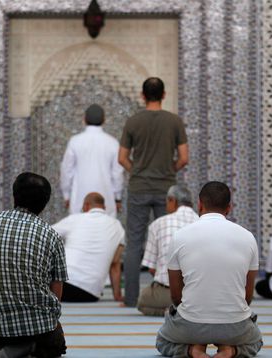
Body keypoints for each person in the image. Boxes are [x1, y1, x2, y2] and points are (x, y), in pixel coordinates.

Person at [0, 172, 68, 358]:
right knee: (56, 342)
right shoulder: (52, 235)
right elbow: (57, 288)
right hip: (39, 328)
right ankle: (29, 348)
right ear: (45, 203)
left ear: (14, 196)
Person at [156, 181, 262, 358]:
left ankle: (193, 351)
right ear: (229, 208)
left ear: (199, 204)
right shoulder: (248, 237)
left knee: (163, 341)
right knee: (256, 341)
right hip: (234, 325)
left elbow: (175, 296)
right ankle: (230, 351)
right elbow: (248, 296)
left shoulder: (180, 236)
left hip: (190, 323)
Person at [119, 77, 189, 307]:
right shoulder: (174, 121)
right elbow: (184, 158)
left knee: (134, 244)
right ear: (164, 95)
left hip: (139, 187)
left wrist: (136, 172)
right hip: (165, 190)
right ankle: (172, 295)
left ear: (142, 95)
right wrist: (168, 171)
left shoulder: (133, 121)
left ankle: (130, 299)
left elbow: (122, 158)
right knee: (169, 242)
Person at [52, 192, 125, 302]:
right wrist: (117, 295)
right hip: (89, 294)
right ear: (104, 208)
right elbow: (115, 264)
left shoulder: (74, 219)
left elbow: (44, 234)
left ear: (85, 206)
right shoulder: (117, 226)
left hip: (60, 287)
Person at [138, 185, 198, 316]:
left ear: (172, 200)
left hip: (169, 293)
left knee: (143, 299)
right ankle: (189, 311)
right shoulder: (202, 222)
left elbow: (152, 269)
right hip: (199, 294)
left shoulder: (158, 224)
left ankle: (172, 312)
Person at [60, 104, 124, 217]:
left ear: (84, 119)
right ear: (104, 120)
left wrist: (66, 195)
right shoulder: (112, 142)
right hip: (105, 201)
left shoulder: (75, 141)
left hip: (79, 199)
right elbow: (117, 173)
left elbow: (66, 170)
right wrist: (117, 198)